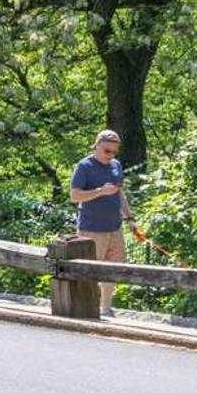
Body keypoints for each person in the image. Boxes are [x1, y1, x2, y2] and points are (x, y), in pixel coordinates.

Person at [69, 128, 133, 316]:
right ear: (96, 146)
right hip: (92, 228)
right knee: (91, 269)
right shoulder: (84, 166)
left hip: (114, 227)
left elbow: (120, 193)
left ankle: (106, 307)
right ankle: (88, 306)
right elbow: (74, 195)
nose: (110, 155)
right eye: (107, 151)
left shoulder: (116, 165)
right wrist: (99, 191)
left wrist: (129, 218)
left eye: (114, 151)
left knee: (113, 268)